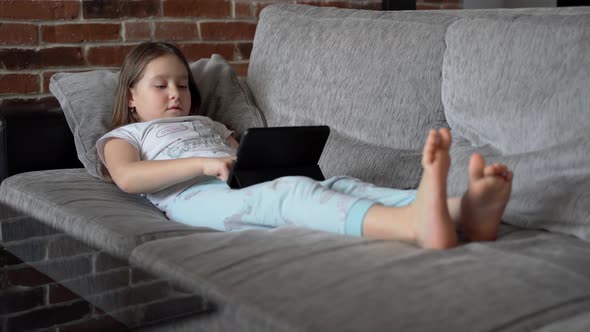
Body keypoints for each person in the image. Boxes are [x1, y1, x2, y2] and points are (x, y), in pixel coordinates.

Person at [97, 42, 513, 250]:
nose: (176, 93)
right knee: (292, 194)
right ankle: (411, 226)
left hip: (242, 182)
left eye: (183, 84)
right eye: (161, 85)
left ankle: (462, 210)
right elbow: (129, 178)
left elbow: (243, 155)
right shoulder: (126, 136)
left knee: (341, 183)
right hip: (196, 198)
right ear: (131, 96)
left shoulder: (206, 122)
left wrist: (259, 153)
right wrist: (203, 163)